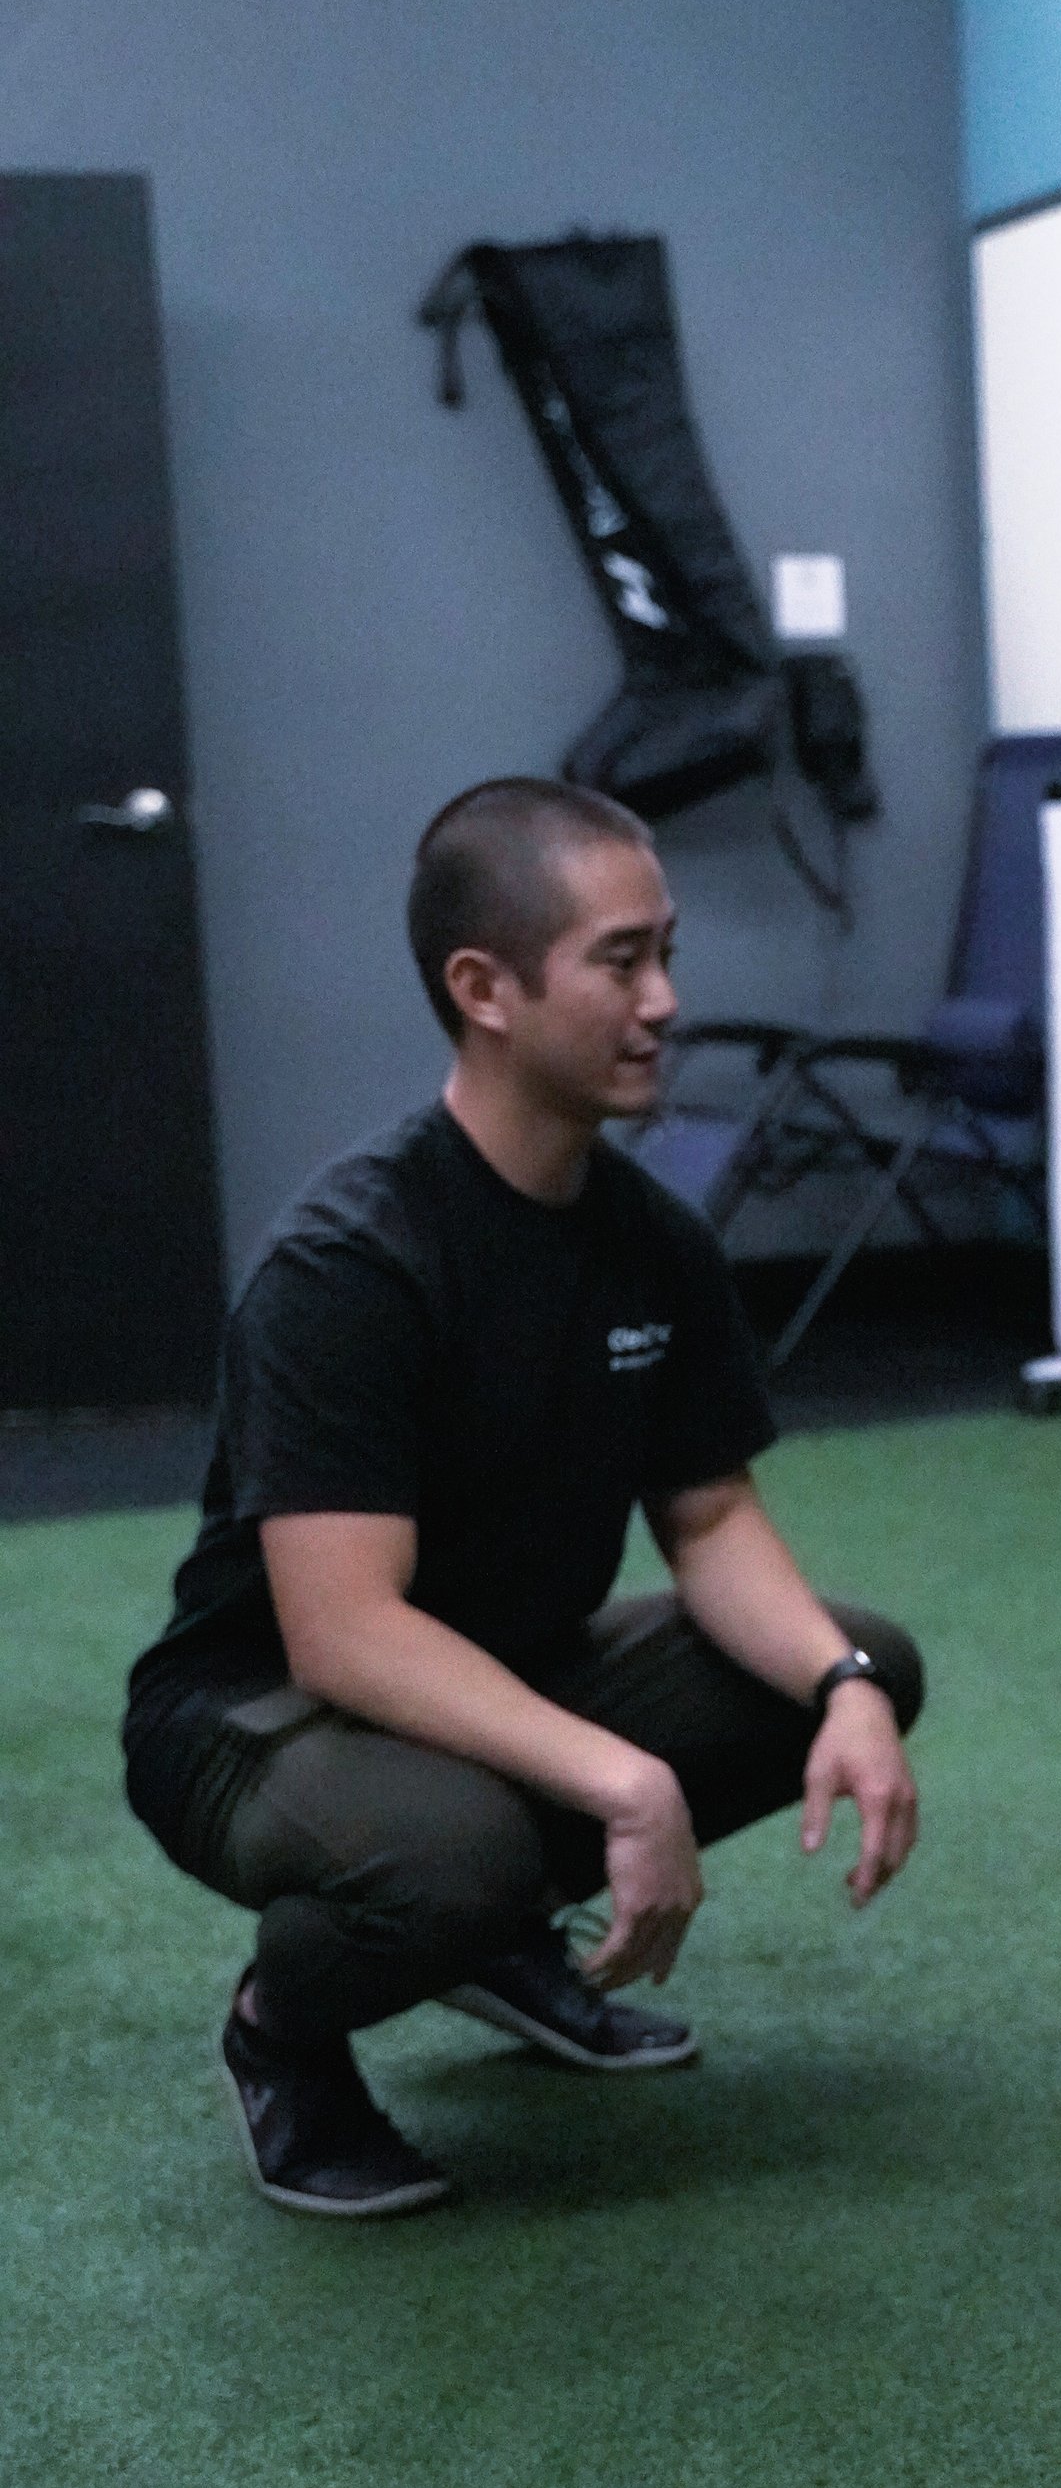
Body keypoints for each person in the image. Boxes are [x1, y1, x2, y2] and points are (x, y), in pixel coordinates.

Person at [124, 776, 923, 2221]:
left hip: (498, 1673)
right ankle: (283, 2038)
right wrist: (621, 1778)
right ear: (483, 989)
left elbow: (712, 1521)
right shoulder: (351, 1263)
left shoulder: (652, 1241)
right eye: (622, 962)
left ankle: (491, 1946)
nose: (667, 1000)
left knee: (854, 1659)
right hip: (251, 1718)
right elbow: (342, 1635)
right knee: (457, 1858)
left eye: (666, 952)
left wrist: (847, 1681)